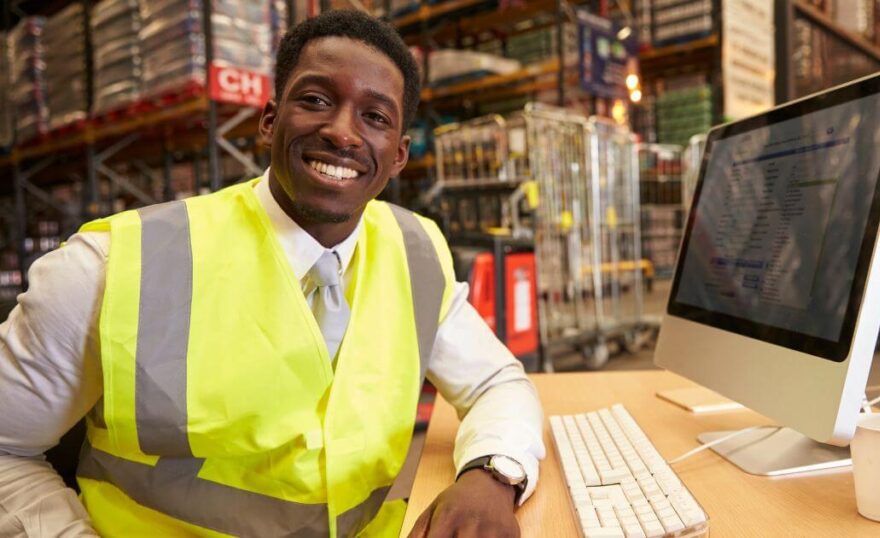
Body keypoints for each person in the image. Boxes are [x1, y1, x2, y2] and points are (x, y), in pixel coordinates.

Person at [0, 10, 544, 537]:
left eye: (374, 117)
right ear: (268, 120)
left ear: (398, 155)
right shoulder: (110, 267)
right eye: (315, 101)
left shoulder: (416, 253)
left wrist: (492, 475)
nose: (342, 133)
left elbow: (496, 381)